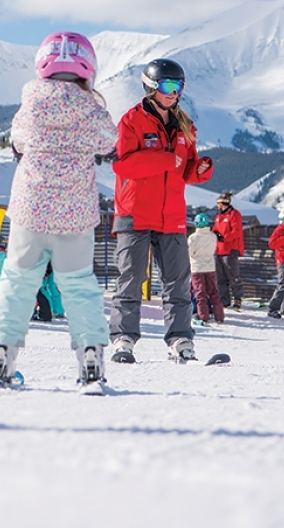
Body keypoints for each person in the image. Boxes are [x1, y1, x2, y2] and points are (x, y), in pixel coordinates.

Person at [0, 32, 117, 392]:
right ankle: (90, 357)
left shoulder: (31, 101)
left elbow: (17, 140)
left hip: (30, 210)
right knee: (78, 287)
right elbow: (110, 141)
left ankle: (2, 357)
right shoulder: (91, 107)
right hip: (75, 213)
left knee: (16, 282)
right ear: (87, 67)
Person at [108, 58, 213, 366]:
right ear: (151, 87)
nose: (174, 92)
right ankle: (123, 339)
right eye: (168, 86)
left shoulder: (184, 125)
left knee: (178, 282)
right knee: (130, 280)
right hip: (135, 213)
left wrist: (201, 170)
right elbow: (122, 164)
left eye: (179, 86)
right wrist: (166, 160)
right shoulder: (131, 121)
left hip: (172, 216)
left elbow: (186, 169)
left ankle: (180, 339)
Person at [188, 212, 224, 324]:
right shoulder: (213, 236)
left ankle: (203, 316)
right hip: (210, 266)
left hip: (197, 268)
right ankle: (219, 316)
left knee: (200, 293)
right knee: (213, 292)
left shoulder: (193, 238)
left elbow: (190, 252)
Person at [213, 191, 245, 311]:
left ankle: (238, 299)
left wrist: (224, 238)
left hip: (230, 250)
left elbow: (237, 231)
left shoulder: (234, 214)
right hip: (219, 250)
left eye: (218, 203)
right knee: (220, 277)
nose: (217, 206)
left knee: (233, 276)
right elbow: (215, 229)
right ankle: (224, 300)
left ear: (222, 203)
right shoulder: (219, 216)